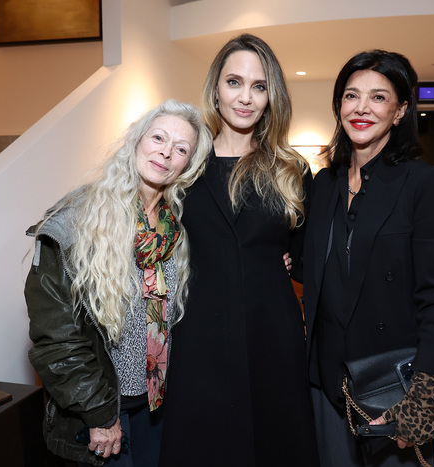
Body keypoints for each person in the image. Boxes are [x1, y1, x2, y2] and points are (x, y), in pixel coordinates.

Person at [302, 50, 434, 466]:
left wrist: (425, 393)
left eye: (378, 97)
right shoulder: (323, 184)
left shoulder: (420, 183)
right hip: (325, 380)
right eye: (350, 95)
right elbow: (315, 267)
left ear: (400, 111)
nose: (361, 108)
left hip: (393, 384)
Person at [159, 34, 320, 466]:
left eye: (259, 86)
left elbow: (306, 257)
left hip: (273, 335)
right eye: (234, 82)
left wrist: (282, 259)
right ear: (216, 88)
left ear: (272, 97)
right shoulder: (185, 164)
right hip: (200, 336)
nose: (245, 98)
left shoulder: (292, 169)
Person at [24, 99, 212, 467]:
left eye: (181, 149)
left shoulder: (178, 228)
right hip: (104, 410)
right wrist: (99, 414)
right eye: (158, 137)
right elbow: (56, 338)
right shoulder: (78, 222)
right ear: (137, 140)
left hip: (159, 406)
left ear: (187, 165)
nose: (165, 152)